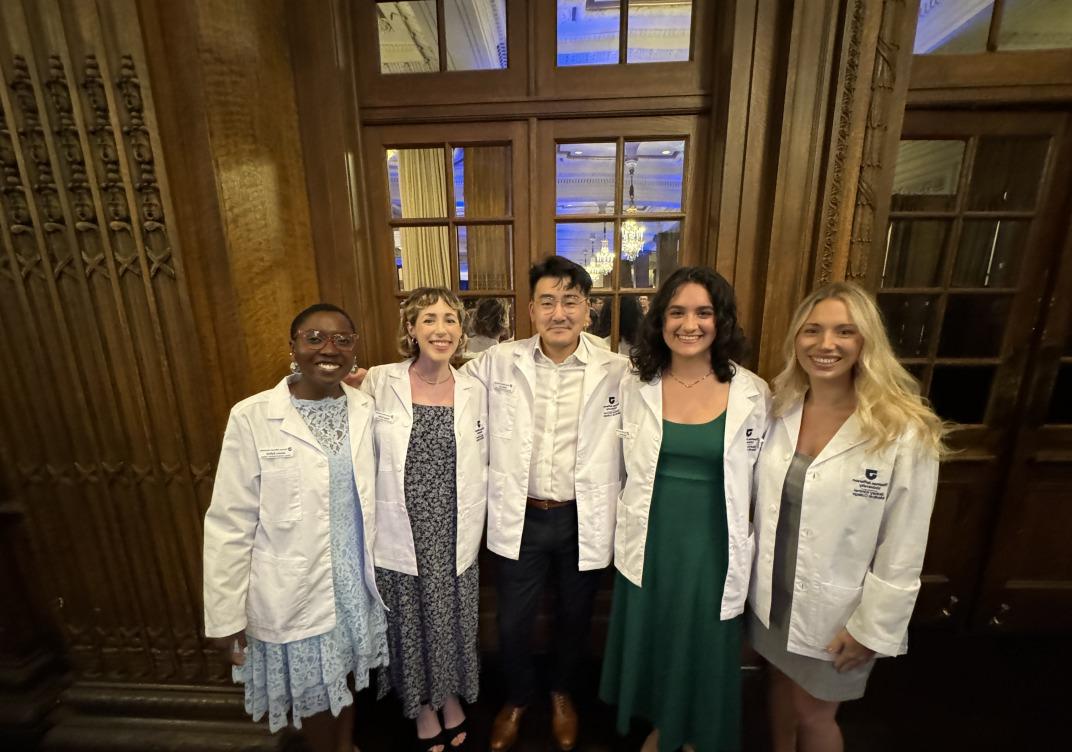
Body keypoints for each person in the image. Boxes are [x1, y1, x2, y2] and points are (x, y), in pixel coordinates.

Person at [748, 282, 946, 752]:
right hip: (772, 594)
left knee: (815, 714)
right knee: (779, 686)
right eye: (812, 331)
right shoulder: (779, 407)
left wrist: (872, 627)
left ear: (866, 342)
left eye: (844, 332)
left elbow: (905, 543)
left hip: (837, 609)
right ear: (796, 339)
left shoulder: (903, 429)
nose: (825, 344)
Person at [203, 304, 388, 752]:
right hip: (294, 583)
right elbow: (230, 520)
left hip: (353, 579)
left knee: (344, 676)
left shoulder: (366, 408)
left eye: (343, 340)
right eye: (315, 338)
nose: (330, 349)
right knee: (315, 690)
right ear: (293, 347)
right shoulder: (252, 416)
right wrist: (225, 615)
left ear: (354, 349)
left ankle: (346, 745)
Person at [600, 267, 770, 752]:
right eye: (677, 312)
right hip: (650, 535)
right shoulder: (634, 384)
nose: (689, 324)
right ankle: (663, 725)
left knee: (702, 634)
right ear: (660, 320)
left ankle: (696, 731)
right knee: (658, 630)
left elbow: (766, 477)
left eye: (703, 312)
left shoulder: (753, 393)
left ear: (722, 321)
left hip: (713, 540)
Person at [464, 256, 629, 752]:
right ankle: (516, 698)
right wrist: (375, 385)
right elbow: (439, 384)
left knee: (576, 615)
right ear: (532, 309)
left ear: (588, 309)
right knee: (513, 619)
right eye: (549, 302)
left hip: (584, 515)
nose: (560, 313)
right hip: (522, 514)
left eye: (571, 302)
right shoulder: (497, 361)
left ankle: (561, 695)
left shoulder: (619, 371)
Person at [361, 288, 488, 752]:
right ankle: (422, 706)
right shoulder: (379, 381)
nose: (441, 329)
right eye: (429, 319)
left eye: (450, 320)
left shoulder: (475, 387)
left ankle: (451, 696)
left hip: (455, 524)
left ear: (462, 330)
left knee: (452, 617)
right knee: (411, 619)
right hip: (402, 524)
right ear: (410, 329)